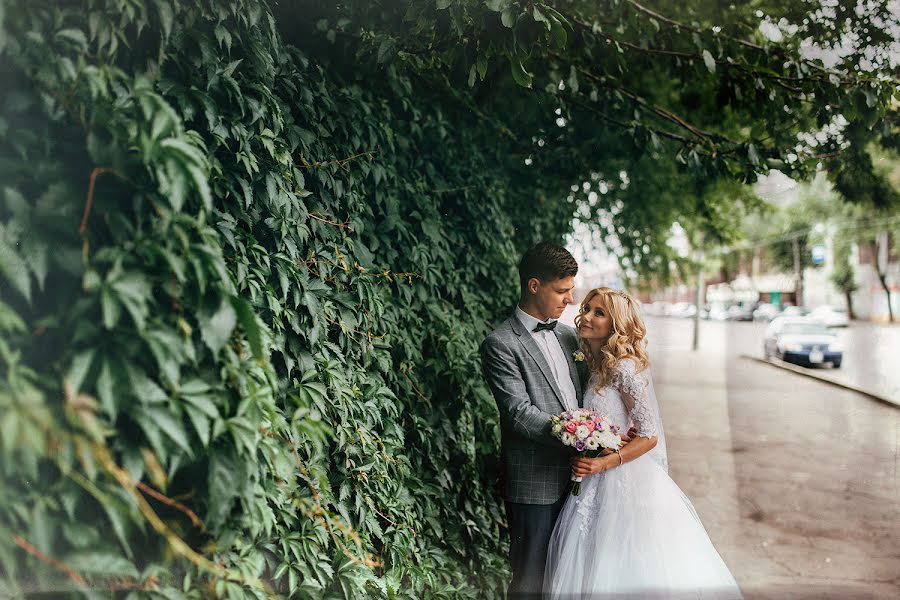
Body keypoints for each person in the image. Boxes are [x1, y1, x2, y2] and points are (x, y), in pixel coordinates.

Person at [544, 287, 743, 599]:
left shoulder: (623, 367)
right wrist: (602, 439)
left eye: (599, 312)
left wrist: (602, 462)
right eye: (586, 308)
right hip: (594, 480)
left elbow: (650, 435)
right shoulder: (596, 366)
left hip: (621, 480)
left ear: (616, 325)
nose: (586, 316)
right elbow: (618, 424)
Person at [480, 241, 586, 599]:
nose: (569, 300)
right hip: (533, 482)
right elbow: (517, 413)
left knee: (569, 575)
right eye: (562, 291)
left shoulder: (570, 335)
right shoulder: (500, 343)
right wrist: (580, 438)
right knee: (530, 580)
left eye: (571, 290)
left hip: (582, 477)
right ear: (534, 285)